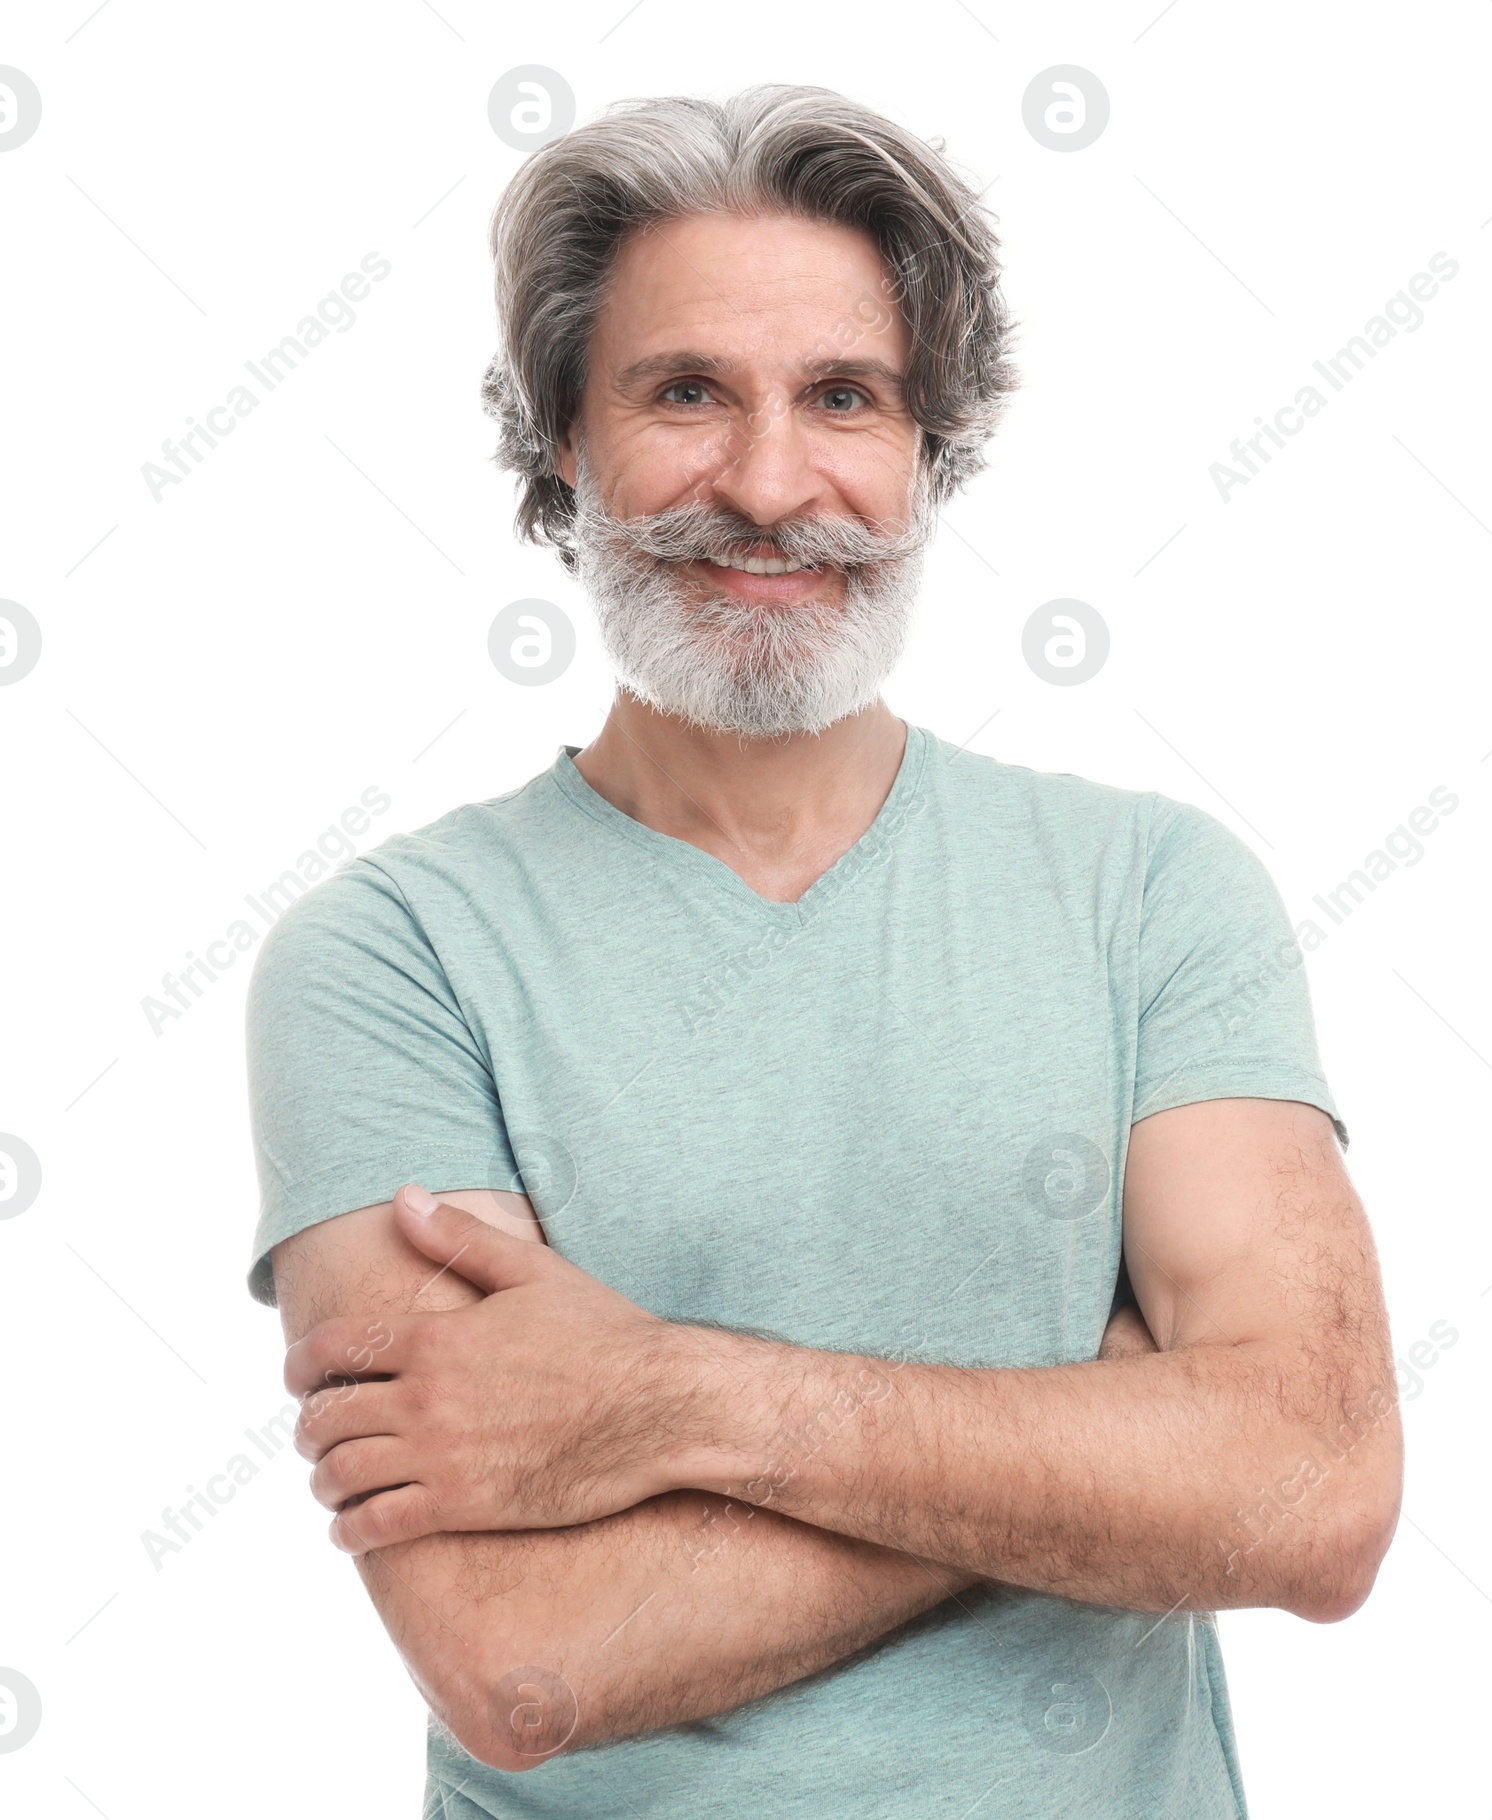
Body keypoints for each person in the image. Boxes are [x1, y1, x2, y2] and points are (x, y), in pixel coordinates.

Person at [245, 83, 1402, 1819]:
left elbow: (1311, 1501)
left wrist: (659, 1401)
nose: (772, 486)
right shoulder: (391, 958)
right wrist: (1114, 1436)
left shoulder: (1152, 892)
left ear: (932, 450)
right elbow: (521, 1655)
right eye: (686, 392)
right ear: (563, 440)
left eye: (844, 398)